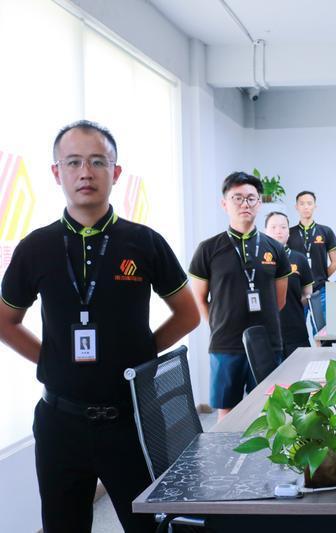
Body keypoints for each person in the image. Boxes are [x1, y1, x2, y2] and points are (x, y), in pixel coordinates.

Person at [0, 120, 200, 532]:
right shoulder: (36, 247)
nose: (85, 173)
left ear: (116, 171)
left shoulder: (144, 242)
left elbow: (188, 314)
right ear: (57, 172)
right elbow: (6, 321)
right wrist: (52, 359)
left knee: (149, 526)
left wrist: (142, 356)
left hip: (132, 419)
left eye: (97, 162)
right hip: (60, 422)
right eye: (73, 162)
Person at [189, 172, 291, 420]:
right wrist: (218, 325)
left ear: (259, 203)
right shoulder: (208, 249)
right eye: (237, 198)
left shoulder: (275, 248)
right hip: (226, 344)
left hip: (267, 343)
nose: (245, 204)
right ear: (224, 204)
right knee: (227, 412)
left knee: (270, 412)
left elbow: (279, 301)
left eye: (251, 198)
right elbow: (199, 299)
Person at [265, 211, 314, 357]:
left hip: (295, 330)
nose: (278, 231)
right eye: (273, 227)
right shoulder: (257, 260)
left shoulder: (299, 259)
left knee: (300, 369)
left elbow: (307, 293)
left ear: (289, 232)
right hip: (267, 334)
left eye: (283, 227)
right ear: (265, 231)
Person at [287, 191, 336, 319]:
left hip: (320, 291)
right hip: (297, 292)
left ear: (315, 206)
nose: (306, 207)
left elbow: (335, 263)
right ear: (296, 207)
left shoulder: (326, 231)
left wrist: (320, 278)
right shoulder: (289, 233)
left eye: (309, 203)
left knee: (322, 329)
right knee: (297, 327)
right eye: (302, 204)